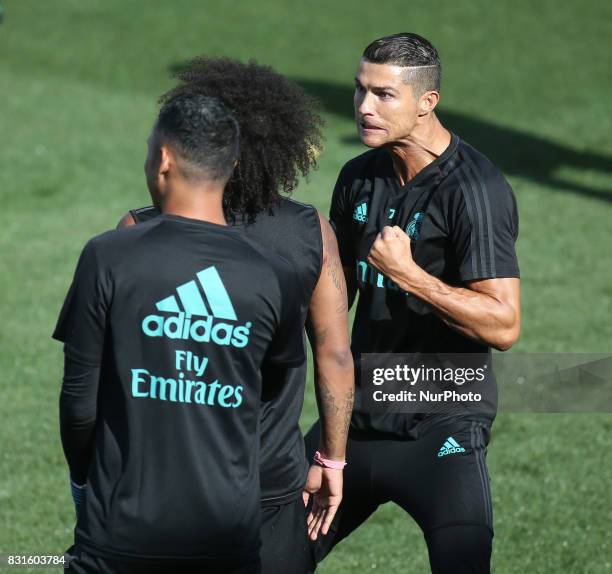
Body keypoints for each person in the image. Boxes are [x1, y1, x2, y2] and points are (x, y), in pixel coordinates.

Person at [117, 57, 355, 573]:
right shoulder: (310, 232)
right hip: (269, 485)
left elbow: (109, 370)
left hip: (158, 488)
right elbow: (334, 353)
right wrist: (331, 459)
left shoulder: (135, 231)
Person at [54, 93, 308, 573]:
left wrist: (84, 483)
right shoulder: (275, 274)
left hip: (120, 532)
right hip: (227, 534)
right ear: (230, 165)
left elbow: (79, 401)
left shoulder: (108, 255)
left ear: (164, 158)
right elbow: (273, 389)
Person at [305, 32, 521, 574]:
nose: (363, 107)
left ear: (428, 102)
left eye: (383, 95)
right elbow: (333, 304)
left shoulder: (477, 190)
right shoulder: (358, 177)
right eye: (359, 91)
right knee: (264, 556)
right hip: (352, 422)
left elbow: (503, 324)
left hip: (443, 425)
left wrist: (410, 275)